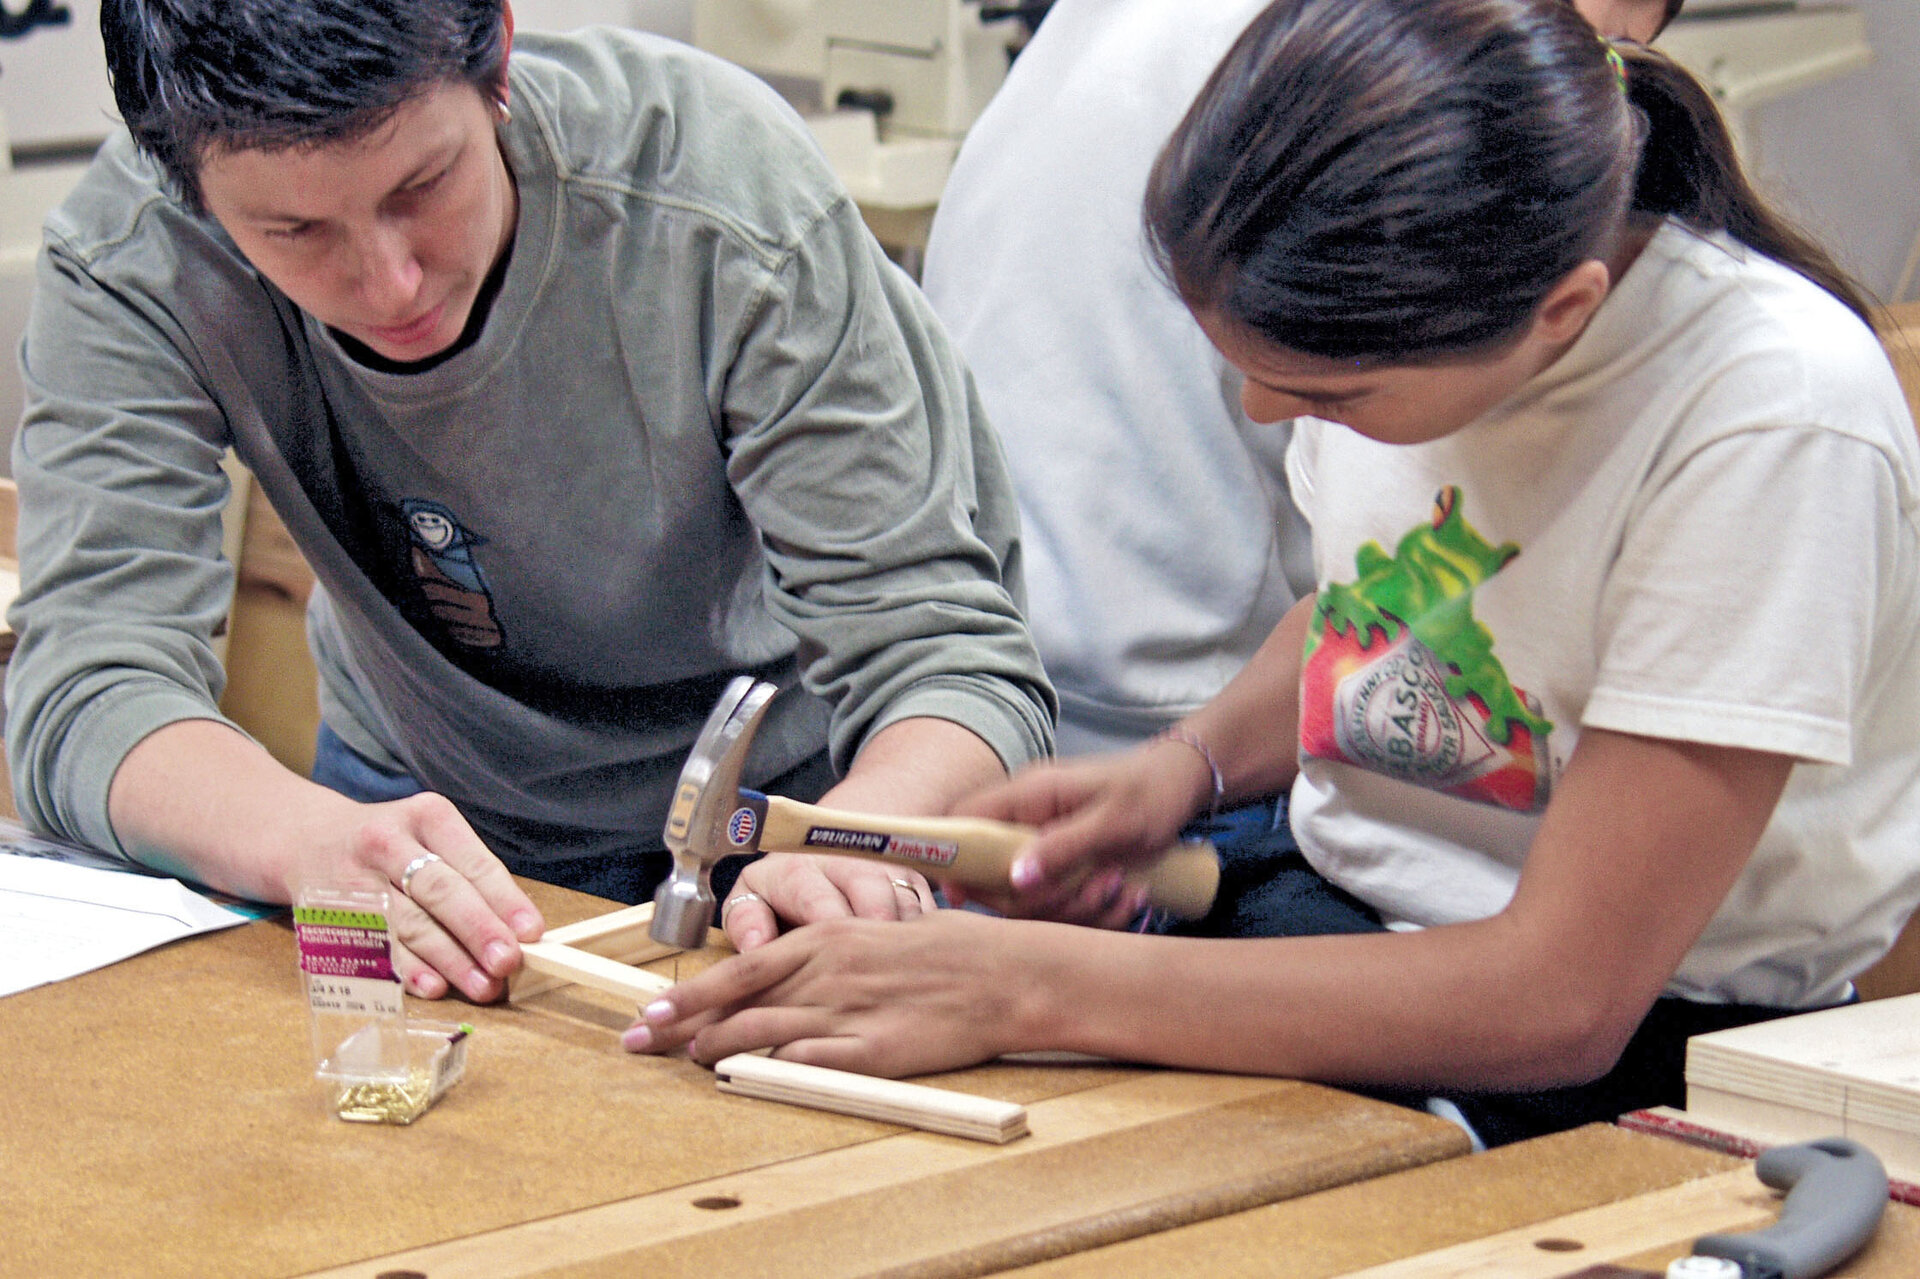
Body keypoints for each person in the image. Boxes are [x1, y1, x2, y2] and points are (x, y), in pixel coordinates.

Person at [631, 0, 1920, 1147]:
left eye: (1320, 393)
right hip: (1336, 911)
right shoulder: (1390, 315)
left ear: (1563, 314)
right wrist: (1177, 772)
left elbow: (1563, 998)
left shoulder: (1768, 419)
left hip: (1627, 1054)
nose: (1260, 410)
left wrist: (1019, 986)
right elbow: (1372, 600)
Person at [4, 0, 1055, 1002]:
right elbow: (87, 689)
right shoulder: (135, 259)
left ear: (497, 55)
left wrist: (852, 843)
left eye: (423, 184)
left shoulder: (718, 203)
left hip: (793, 818)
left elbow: (949, 662)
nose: (392, 282)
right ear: (182, 177)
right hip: (408, 820)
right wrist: (307, 841)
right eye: (297, 233)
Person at [919, 0, 1682, 766]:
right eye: (1593, 44)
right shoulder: (1373, 104)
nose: (1585, 86)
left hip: (978, 662)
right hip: (1170, 699)